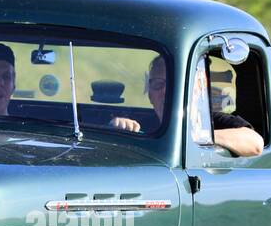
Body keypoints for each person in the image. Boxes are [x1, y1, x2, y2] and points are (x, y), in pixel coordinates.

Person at [111, 55, 263, 156]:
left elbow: (255, 143)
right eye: (158, 85)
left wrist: (200, 136)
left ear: (196, 91)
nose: (165, 92)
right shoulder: (142, 121)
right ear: (150, 95)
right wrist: (118, 127)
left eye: (174, 85)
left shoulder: (210, 121)